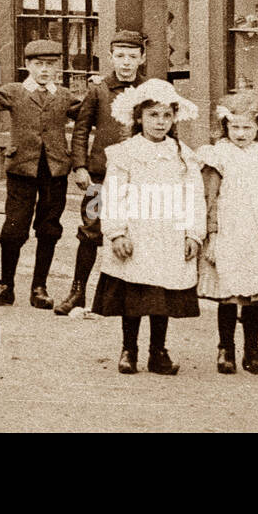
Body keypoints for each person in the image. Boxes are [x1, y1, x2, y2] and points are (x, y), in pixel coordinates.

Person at [91, 79, 205, 376]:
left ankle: (158, 351)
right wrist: (116, 232)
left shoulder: (183, 155)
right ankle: (129, 348)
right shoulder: (125, 152)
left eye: (166, 115)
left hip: (168, 233)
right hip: (136, 232)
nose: (160, 122)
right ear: (139, 117)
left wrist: (193, 232)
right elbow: (114, 193)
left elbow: (193, 196)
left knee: (161, 294)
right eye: (153, 115)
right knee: (134, 294)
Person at [0, 39, 75, 310]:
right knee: (13, 229)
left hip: (54, 170)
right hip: (21, 170)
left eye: (50, 65)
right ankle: (6, 286)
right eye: (38, 64)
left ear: (58, 67)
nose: (44, 70)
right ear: (27, 65)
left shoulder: (64, 96)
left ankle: (39, 287)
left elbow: (90, 113)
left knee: (49, 228)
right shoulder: (15, 91)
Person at [57, 29, 153, 317]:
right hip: (100, 177)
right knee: (90, 231)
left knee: (134, 231)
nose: (126, 63)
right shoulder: (98, 90)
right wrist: (80, 166)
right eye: (120, 56)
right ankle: (77, 292)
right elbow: (81, 130)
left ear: (142, 58)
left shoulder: (149, 91)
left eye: (132, 57)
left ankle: (125, 297)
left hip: (137, 178)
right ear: (110, 57)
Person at [197, 91, 258, 375]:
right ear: (225, 126)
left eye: (247, 127)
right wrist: (212, 235)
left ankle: (253, 348)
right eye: (234, 127)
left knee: (256, 291)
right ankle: (225, 347)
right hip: (230, 229)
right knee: (229, 292)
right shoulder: (218, 155)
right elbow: (210, 199)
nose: (240, 133)